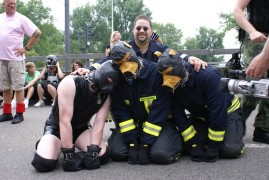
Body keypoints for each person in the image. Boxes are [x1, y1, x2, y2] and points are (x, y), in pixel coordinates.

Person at [157, 48, 245, 162]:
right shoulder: (173, 85)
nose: (166, 81)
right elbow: (178, 115)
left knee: (230, 150)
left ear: (180, 69)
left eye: (169, 74)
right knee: (188, 148)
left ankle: (237, 133)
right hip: (201, 116)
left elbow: (218, 111)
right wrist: (193, 144)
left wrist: (213, 146)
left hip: (227, 112)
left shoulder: (209, 76)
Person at [31, 61, 120, 172]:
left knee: (103, 156)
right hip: (57, 128)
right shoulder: (70, 82)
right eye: (110, 80)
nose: (111, 85)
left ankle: (71, 147)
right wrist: (69, 154)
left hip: (81, 129)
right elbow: (64, 121)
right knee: (43, 163)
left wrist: (93, 151)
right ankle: (48, 142)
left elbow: (99, 123)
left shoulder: (106, 95)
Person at [107, 41, 182, 165]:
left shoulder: (156, 73)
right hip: (134, 125)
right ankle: (134, 140)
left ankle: (175, 140)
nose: (125, 68)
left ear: (133, 54)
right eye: (119, 64)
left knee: (160, 154)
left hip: (159, 124)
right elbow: (119, 111)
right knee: (117, 152)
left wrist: (145, 144)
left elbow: (159, 111)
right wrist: (132, 142)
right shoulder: (117, 79)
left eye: (127, 60)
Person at [81, 15, 207, 74]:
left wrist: (190, 58)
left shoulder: (160, 48)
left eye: (145, 29)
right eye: (138, 28)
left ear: (151, 31)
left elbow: (175, 54)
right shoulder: (124, 48)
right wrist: (89, 69)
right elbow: (107, 60)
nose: (142, 31)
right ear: (133, 31)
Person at [233, 0, 269, 144]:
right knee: (253, 84)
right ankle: (235, 125)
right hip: (257, 38)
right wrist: (252, 31)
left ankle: (263, 129)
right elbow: (237, 10)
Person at [0, 0, 41, 124]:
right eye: (9, 4)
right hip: (2, 59)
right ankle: (7, 113)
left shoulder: (21, 19)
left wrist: (26, 48)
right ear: (3, 5)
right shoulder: (1, 18)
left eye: (14, 4)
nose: (12, 6)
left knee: (18, 87)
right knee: (6, 87)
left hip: (15, 59)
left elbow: (37, 32)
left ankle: (19, 113)